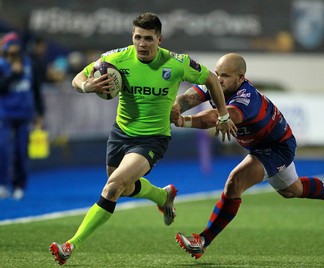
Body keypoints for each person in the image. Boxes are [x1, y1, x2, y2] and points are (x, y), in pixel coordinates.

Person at [49, 12, 236, 266]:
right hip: (120, 133)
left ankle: (70, 245)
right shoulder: (116, 58)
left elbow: (211, 79)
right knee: (123, 188)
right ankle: (162, 196)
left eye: (148, 38)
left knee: (113, 186)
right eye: (138, 37)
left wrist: (223, 115)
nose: (142, 44)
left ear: (159, 39)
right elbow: (77, 78)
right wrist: (87, 87)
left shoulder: (176, 62)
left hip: (153, 138)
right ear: (132, 37)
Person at [172, 53, 324, 259]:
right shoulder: (217, 84)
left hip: (277, 147)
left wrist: (183, 121)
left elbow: (217, 117)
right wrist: (173, 108)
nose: (218, 79)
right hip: (259, 145)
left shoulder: (247, 98)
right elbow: (189, 97)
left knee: (235, 182)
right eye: (217, 74)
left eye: (225, 76)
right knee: (292, 190)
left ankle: (203, 241)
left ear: (240, 78)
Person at [0, 32, 37, 200]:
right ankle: (2, 184)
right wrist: (13, 74)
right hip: (5, 115)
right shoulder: (1, 65)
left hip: (24, 115)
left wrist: (40, 113)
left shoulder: (28, 64)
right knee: (3, 150)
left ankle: (19, 185)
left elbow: (35, 90)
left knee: (21, 152)